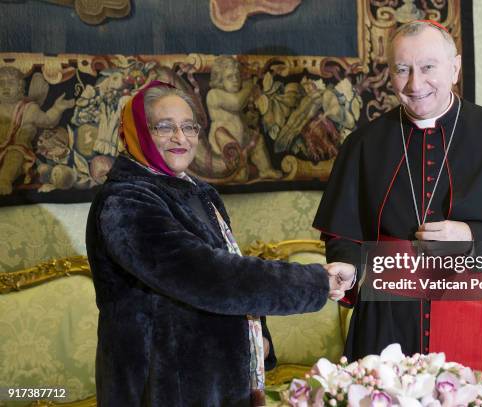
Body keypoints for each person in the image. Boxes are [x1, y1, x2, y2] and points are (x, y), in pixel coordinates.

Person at [313, 20, 482, 378]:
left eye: (428, 67)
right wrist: (347, 266)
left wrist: (473, 236)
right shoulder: (363, 145)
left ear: (454, 68)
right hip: (385, 319)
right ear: (388, 74)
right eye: (402, 70)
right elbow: (344, 233)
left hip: (471, 308)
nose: (415, 83)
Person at [85, 81, 355, 406]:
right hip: (161, 387)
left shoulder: (196, 190)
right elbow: (208, 276)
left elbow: (230, 264)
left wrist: (259, 339)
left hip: (213, 383)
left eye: (189, 127)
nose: (181, 138)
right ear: (136, 132)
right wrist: (314, 281)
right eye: (164, 127)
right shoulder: (126, 200)